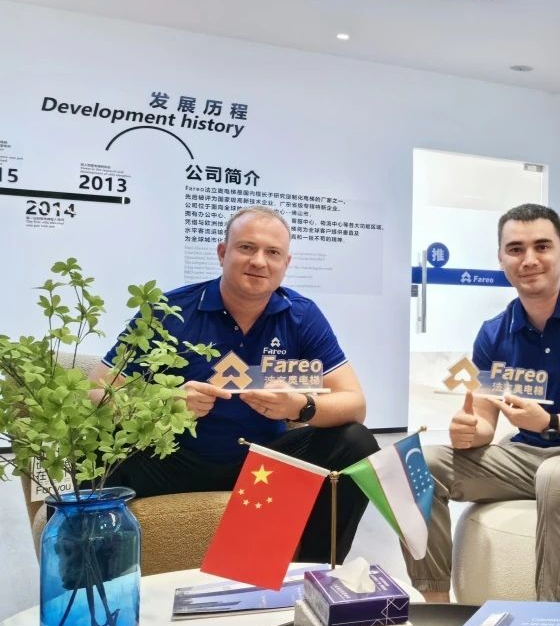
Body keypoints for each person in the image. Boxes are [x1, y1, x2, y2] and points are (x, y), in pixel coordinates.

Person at [98, 205, 377, 563]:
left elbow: (354, 403)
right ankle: (91, 584)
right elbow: (97, 394)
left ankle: (315, 571)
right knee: (96, 448)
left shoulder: (301, 314)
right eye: (246, 247)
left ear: (286, 263)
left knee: (356, 442)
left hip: (261, 463)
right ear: (222, 253)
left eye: (272, 252)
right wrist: (165, 403)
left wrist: (300, 406)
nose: (259, 261)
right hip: (173, 460)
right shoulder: (169, 310)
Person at [404, 204, 560, 603]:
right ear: (501, 258)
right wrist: (467, 430)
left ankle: (555, 621)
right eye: (515, 249)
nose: (529, 260)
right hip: (524, 457)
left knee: (554, 475)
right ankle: (438, 608)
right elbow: (484, 423)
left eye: (541, 246)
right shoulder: (494, 332)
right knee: (414, 465)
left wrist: (552, 422)